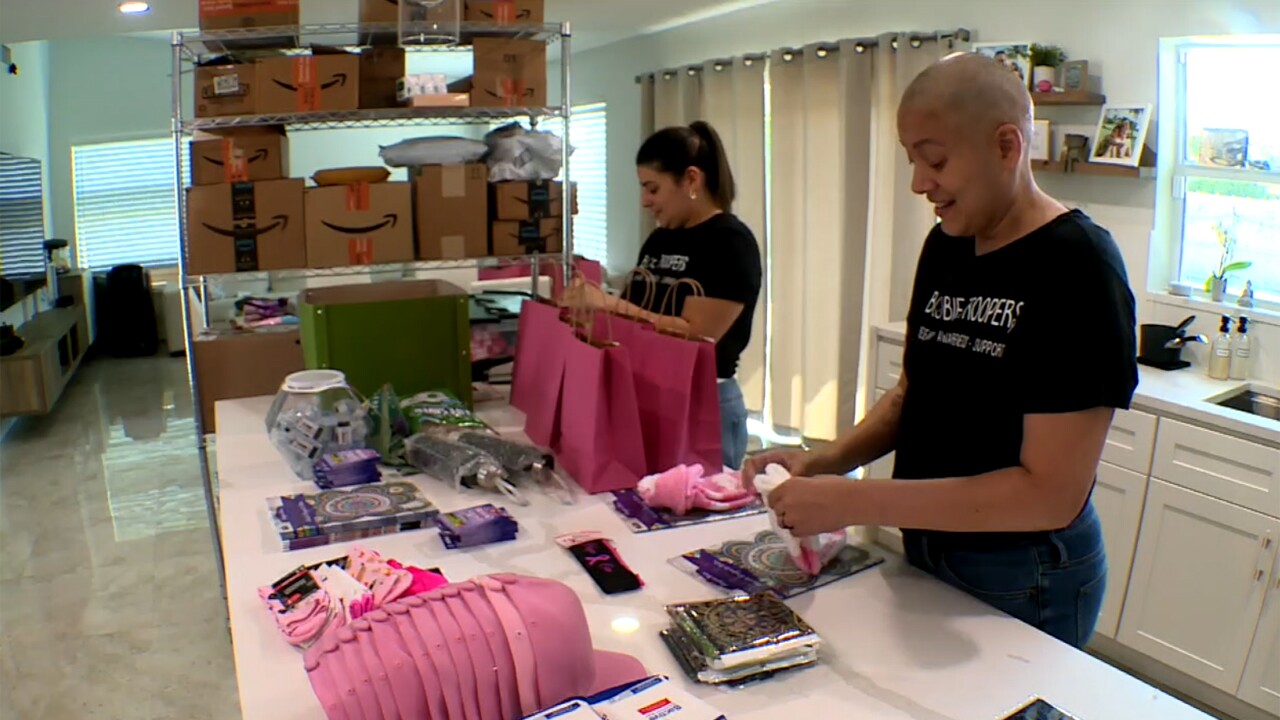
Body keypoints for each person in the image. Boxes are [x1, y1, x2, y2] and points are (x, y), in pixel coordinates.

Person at [745, 53, 1137, 648]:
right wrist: (824, 462)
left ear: (1006, 146)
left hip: (1024, 570)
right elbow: (914, 392)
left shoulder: (1078, 266)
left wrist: (854, 500)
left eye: (935, 160)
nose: (919, 183)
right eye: (912, 160)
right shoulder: (947, 244)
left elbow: (1048, 495)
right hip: (932, 543)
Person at [563, 121, 763, 470]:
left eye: (652, 189)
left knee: (700, 501)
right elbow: (634, 317)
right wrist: (589, 311)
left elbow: (697, 336)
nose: (645, 202)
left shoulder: (730, 243)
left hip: (703, 403)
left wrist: (611, 304)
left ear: (691, 180)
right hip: (650, 393)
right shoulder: (660, 240)